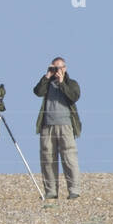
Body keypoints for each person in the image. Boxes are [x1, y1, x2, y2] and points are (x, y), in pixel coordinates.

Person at [34, 57, 81, 200]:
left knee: (69, 158)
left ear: (65, 68)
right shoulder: (47, 83)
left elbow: (74, 96)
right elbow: (37, 92)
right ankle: (51, 191)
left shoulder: (71, 83)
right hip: (47, 126)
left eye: (60, 68)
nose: (57, 71)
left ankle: (74, 190)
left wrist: (62, 83)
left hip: (66, 126)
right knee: (48, 159)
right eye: (54, 68)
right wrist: (47, 76)